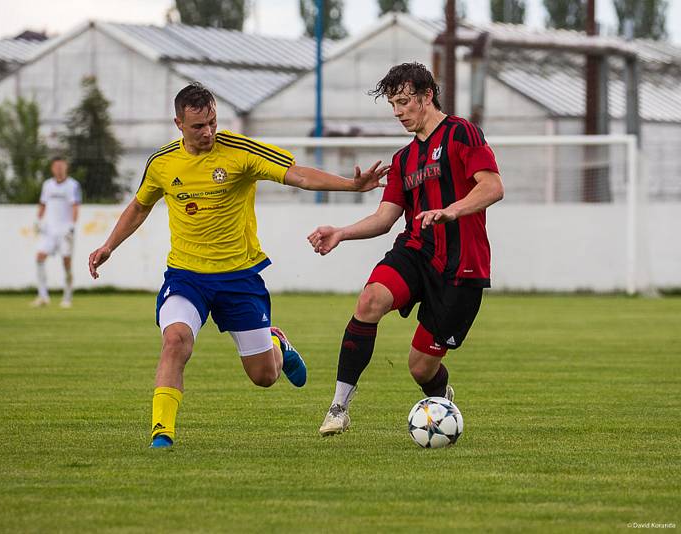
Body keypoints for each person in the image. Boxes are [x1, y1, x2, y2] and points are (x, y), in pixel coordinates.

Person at [88, 82, 389, 449]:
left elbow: (298, 175)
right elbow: (139, 206)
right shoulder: (163, 163)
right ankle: (162, 433)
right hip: (186, 277)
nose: (208, 132)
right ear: (178, 124)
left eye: (212, 122)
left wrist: (351, 186)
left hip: (239, 278)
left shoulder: (240, 151)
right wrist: (108, 246)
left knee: (264, 376)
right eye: (198, 126)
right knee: (175, 341)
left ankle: (278, 343)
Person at [308, 62, 504, 436]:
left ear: (427, 96)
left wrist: (451, 211)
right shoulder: (403, 160)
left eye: (403, 102)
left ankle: (439, 396)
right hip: (415, 252)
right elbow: (385, 218)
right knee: (369, 302)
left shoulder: (462, 133)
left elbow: (492, 187)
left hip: (461, 265)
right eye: (393, 105)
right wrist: (341, 232)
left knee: (420, 367)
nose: (398, 112)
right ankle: (339, 407)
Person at [31, 156, 81, 309]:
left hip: (65, 230)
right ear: (52, 168)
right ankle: (43, 296)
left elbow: (75, 207)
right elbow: (43, 204)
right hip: (50, 230)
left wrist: (72, 226)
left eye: (62, 166)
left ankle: (67, 297)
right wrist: (38, 221)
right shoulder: (47, 185)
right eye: (56, 166)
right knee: (39, 257)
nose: (59, 169)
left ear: (66, 168)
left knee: (66, 262)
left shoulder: (73, 185)